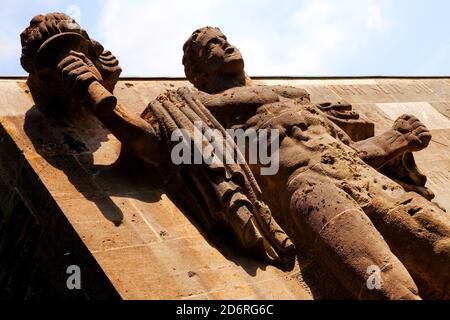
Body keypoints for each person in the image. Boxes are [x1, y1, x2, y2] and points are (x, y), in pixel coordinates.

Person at [22, 15, 450, 299]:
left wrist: (394, 141)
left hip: (359, 173)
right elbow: (156, 146)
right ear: (197, 72)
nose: (223, 46)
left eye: (224, 39)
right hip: (311, 191)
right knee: (383, 284)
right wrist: (96, 93)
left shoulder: (295, 98)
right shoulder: (194, 108)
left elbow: (340, 150)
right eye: (211, 46)